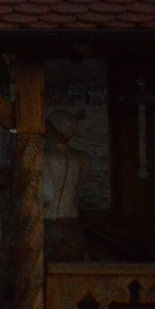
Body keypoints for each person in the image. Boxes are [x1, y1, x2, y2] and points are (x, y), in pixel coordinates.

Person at [42, 109, 91, 262]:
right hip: (74, 227)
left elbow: (46, 196)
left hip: (49, 226)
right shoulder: (83, 158)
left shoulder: (43, 157)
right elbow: (79, 189)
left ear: (52, 129)